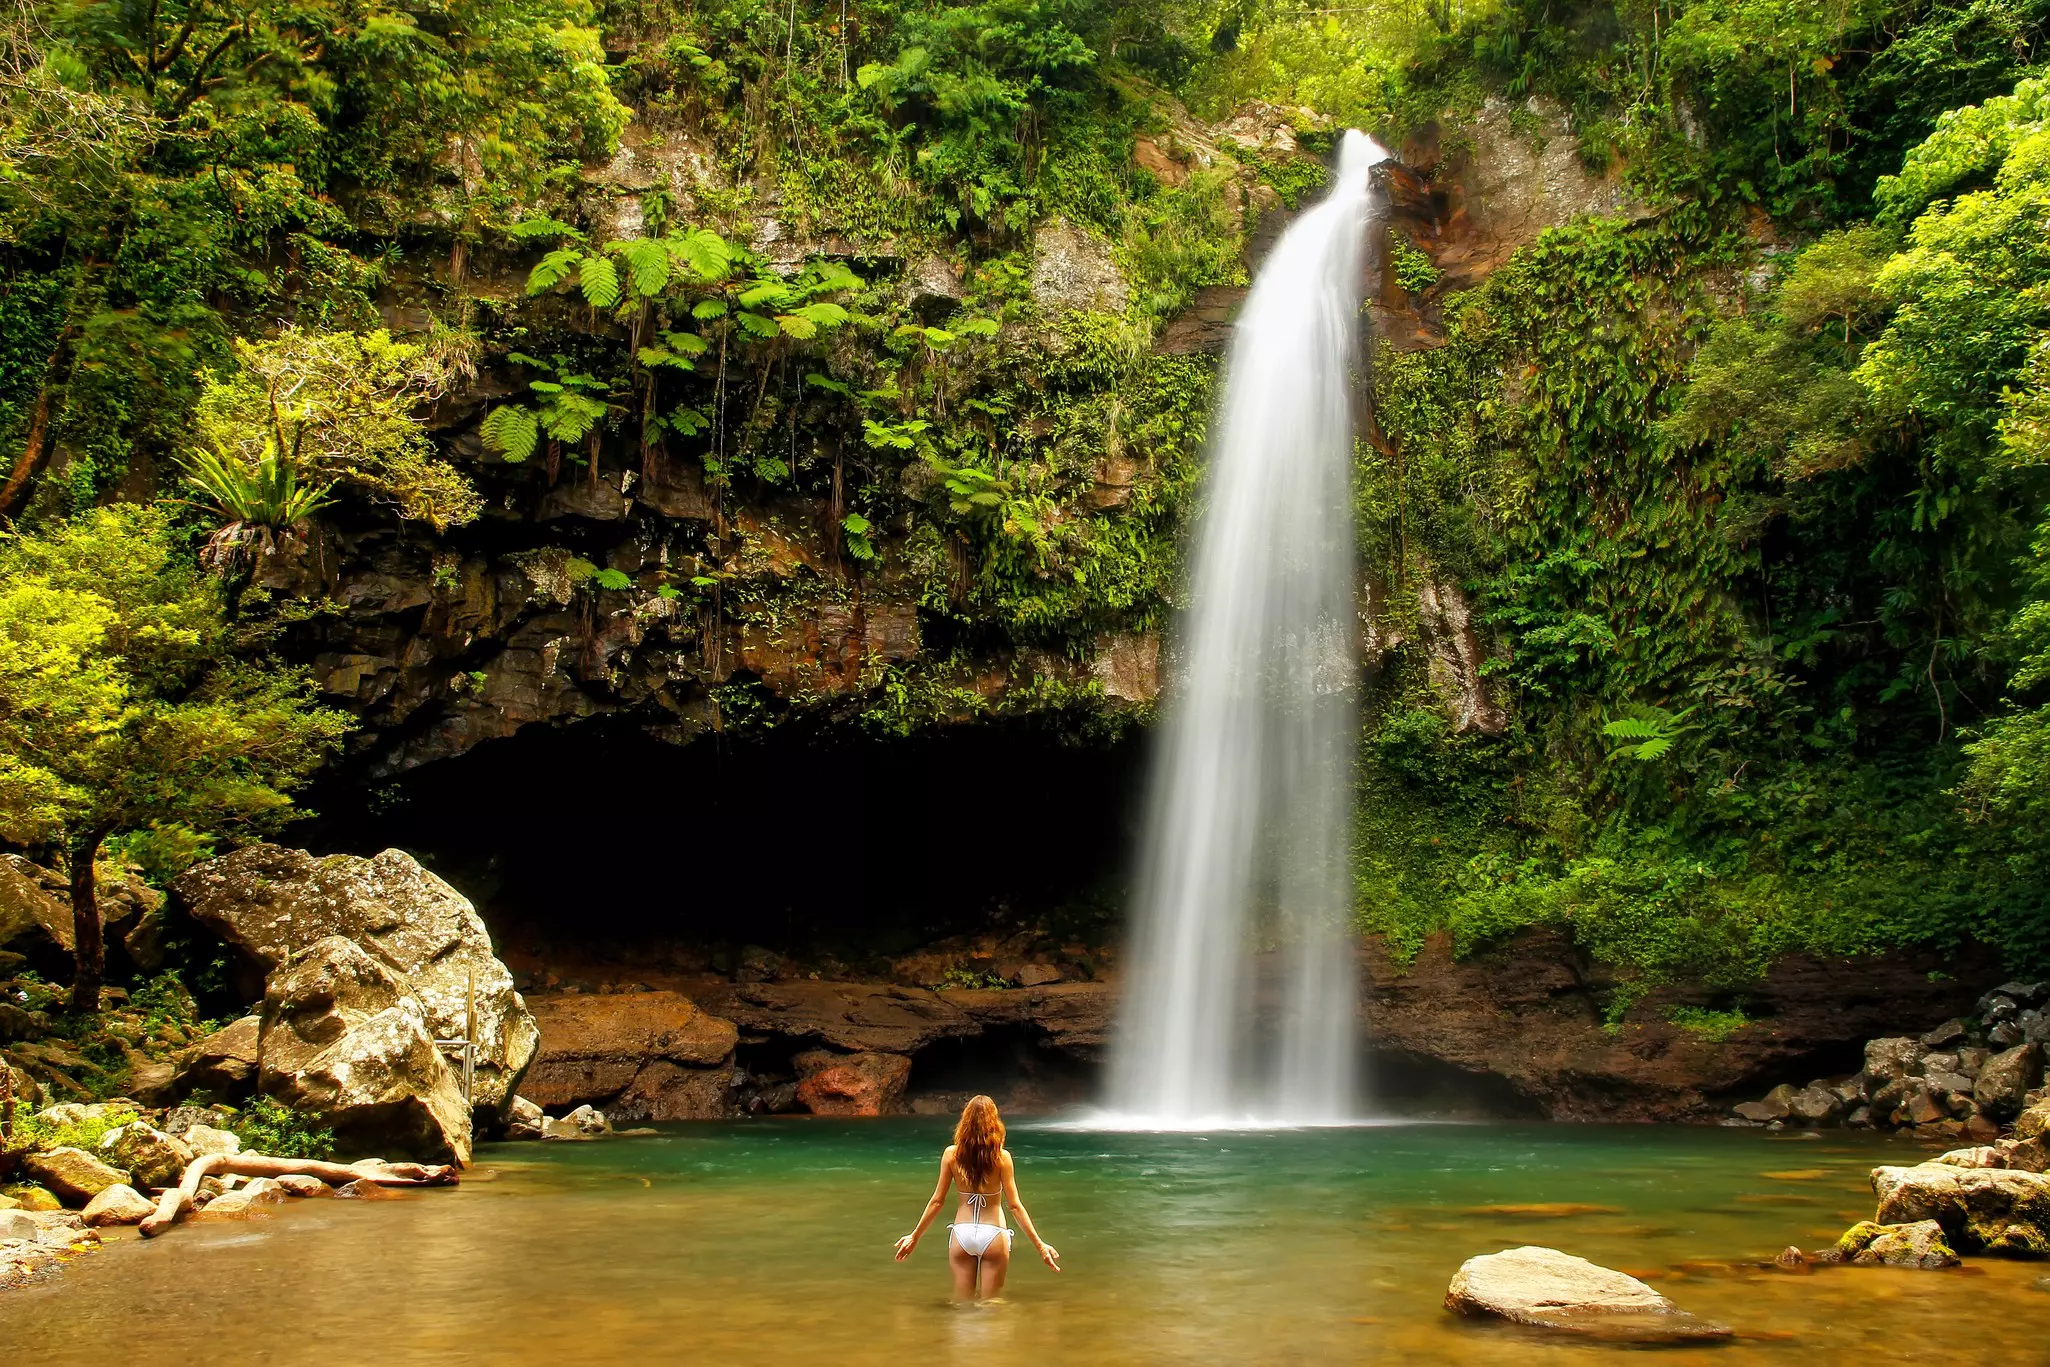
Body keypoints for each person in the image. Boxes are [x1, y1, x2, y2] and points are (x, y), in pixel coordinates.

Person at [893, 1094, 1060, 1299]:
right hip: (994, 1234)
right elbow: (1015, 1206)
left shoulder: (951, 1155)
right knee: (991, 1306)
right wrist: (1040, 1245)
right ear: (995, 1122)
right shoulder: (1002, 1158)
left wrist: (915, 1236)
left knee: (963, 1306)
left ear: (965, 1121)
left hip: (962, 1234)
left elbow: (937, 1201)